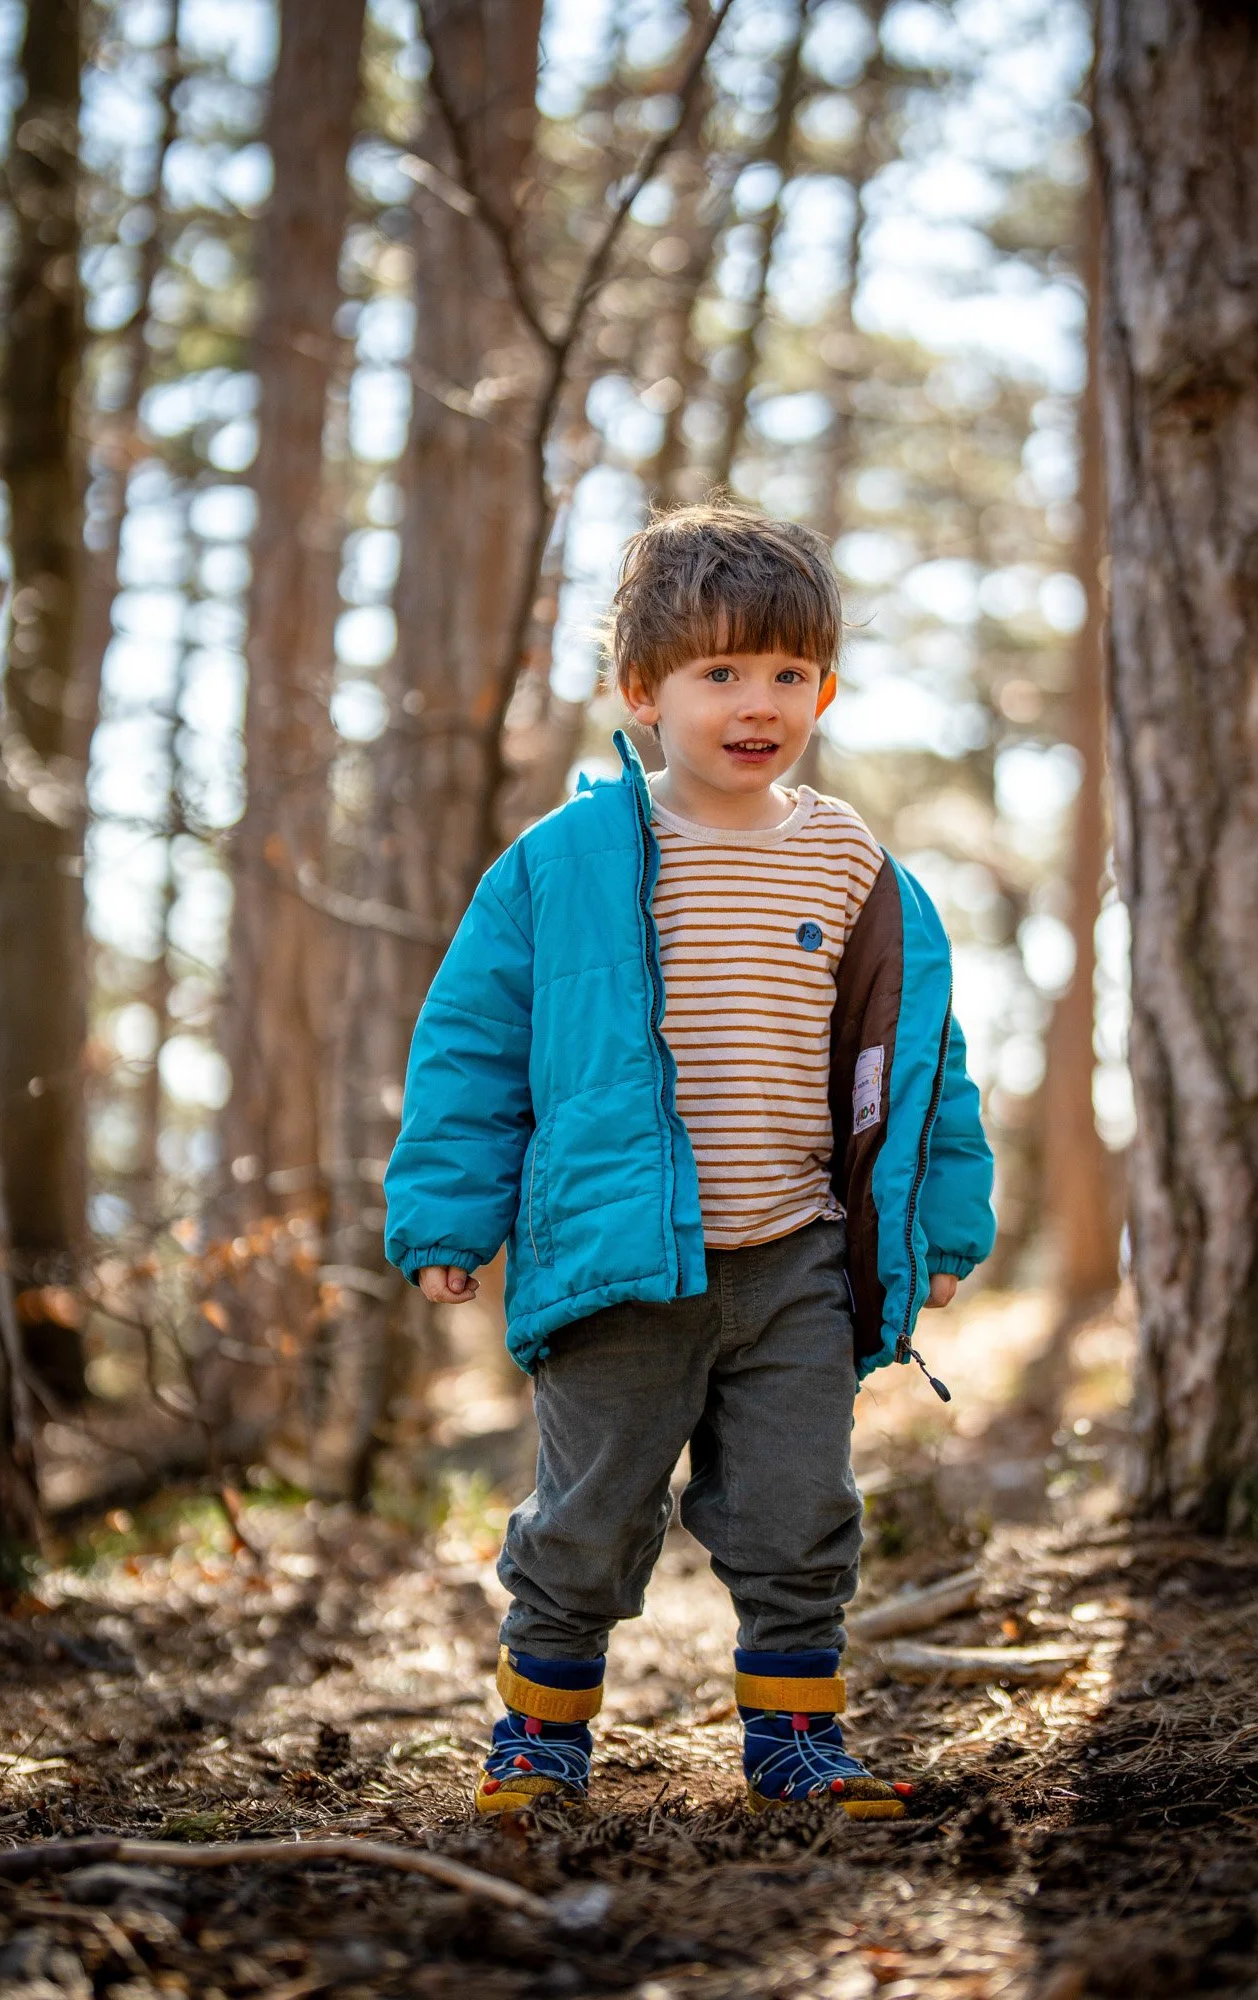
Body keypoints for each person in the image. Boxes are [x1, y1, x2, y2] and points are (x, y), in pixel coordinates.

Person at [385, 499, 996, 1820]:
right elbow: (473, 1041)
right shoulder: (566, 862)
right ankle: (542, 1736)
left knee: (796, 1511)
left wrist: (939, 1226)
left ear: (824, 688)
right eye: (721, 673)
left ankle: (794, 1741)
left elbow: (924, 1053)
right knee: (589, 1519)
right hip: (617, 1257)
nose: (757, 701)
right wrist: (446, 1213)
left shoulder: (849, 861)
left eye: (788, 674)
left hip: (795, 1255)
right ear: (643, 691)